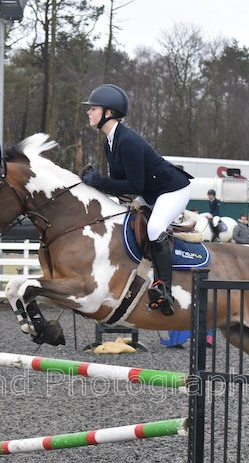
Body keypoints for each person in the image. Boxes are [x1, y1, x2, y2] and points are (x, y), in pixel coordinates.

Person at [80, 83, 191, 316]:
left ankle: (164, 290)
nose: (88, 112)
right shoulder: (110, 141)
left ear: (108, 113)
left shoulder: (127, 141)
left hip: (172, 190)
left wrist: (97, 181)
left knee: (154, 228)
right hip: (151, 193)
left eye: (93, 108)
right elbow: (121, 185)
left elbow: (133, 186)